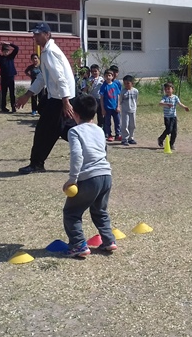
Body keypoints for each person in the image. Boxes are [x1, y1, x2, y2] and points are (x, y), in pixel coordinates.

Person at [15, 22, 75, 174]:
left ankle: (36, 164)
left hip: (60, 99)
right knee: (61, 130)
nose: (34, 36)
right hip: (58, 98)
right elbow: (43, 77)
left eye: (37, 33)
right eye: (33, 34)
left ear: (47, 34)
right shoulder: (46, 51)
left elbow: (60, 79)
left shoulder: (50, 53)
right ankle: (37, 163)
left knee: (50, 131)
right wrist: (28, 94)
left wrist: (65, 101)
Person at [62, 94, 117, 257]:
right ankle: (109, 241)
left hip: (89, 177)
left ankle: (79, 245)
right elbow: (104, 152)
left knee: (72, 212)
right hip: (106, 175)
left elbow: (77, 155)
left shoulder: (74, 131)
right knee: (100, 210)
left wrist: (72, 179)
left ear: (75, 114)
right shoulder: (99, 130)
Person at [157, 82, 189, 150]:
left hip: (173, 117)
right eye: (166, 89)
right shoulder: (164, 97)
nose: (167, 90)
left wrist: (185, 107)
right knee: (169, 129)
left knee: (174, 131)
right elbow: (160, 104)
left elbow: (179, 104)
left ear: (172, 89)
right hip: (167, 117)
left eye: (169, 89)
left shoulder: (175, 97)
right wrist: (167, 104)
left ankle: (171, 144)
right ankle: (161, 138)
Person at [0, 41, 19, 113]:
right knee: (4, 93)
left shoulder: (11, 57)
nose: (6, 53)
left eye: (7, 51)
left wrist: (9, 43)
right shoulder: (0, 57)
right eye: (4, 51)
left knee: (12, 93)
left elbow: (17, 48)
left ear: (9, 51)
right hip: (3, 77)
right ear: (2, 51)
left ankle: (13, 107)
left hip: (11, 77)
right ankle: (3, 107)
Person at [99, 69, 121, 142]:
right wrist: (102, 109)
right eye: (106, 76)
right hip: (107, 108)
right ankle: (109, 135)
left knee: (117, 121)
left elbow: (118, 96)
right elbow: (101, 98)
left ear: (112, 76)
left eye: (109, 75)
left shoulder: (115, 85)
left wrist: (118, 106)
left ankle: (118, 134)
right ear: (104, 77)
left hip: (115, 107)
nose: (108, 77)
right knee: (107, 122)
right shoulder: (103, 86)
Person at [120, 75, 138, 146]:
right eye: (125, 83)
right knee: (125, 125)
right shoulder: (123, 92)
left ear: (132, 83)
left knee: (132, 125)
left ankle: (131, 138)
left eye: (128, 83)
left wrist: (134, 107)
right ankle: (124, 139)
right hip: (125, 110)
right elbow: (120, 100)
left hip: (133, 110)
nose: (126, 85)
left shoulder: (135, 91)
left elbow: (136, 99)